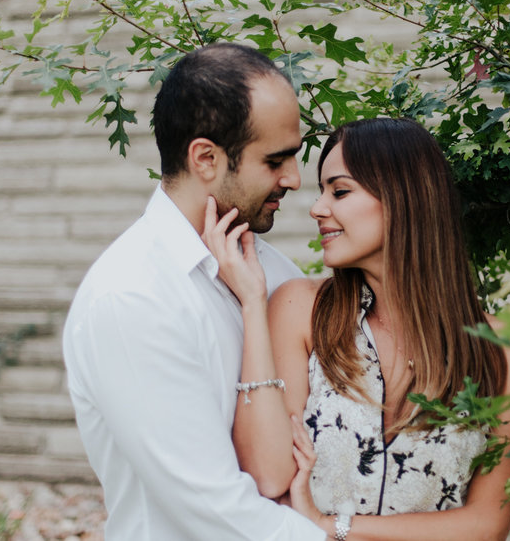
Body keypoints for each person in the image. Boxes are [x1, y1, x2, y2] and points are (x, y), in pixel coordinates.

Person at [204, 117, 510, 541]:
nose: (318, 208)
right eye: (322, 192)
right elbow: (269, 476)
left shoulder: (506, 351)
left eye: (339, 191)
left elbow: (486, 526)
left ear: (404, 198)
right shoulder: (300, 310)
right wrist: (251, 301)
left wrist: (332, 528)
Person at [61, 43, 326, 540]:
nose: (293, 179)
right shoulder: (131, 298)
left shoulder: (274, 271)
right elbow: (213, 508)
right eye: (275, 160)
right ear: (206, 158)